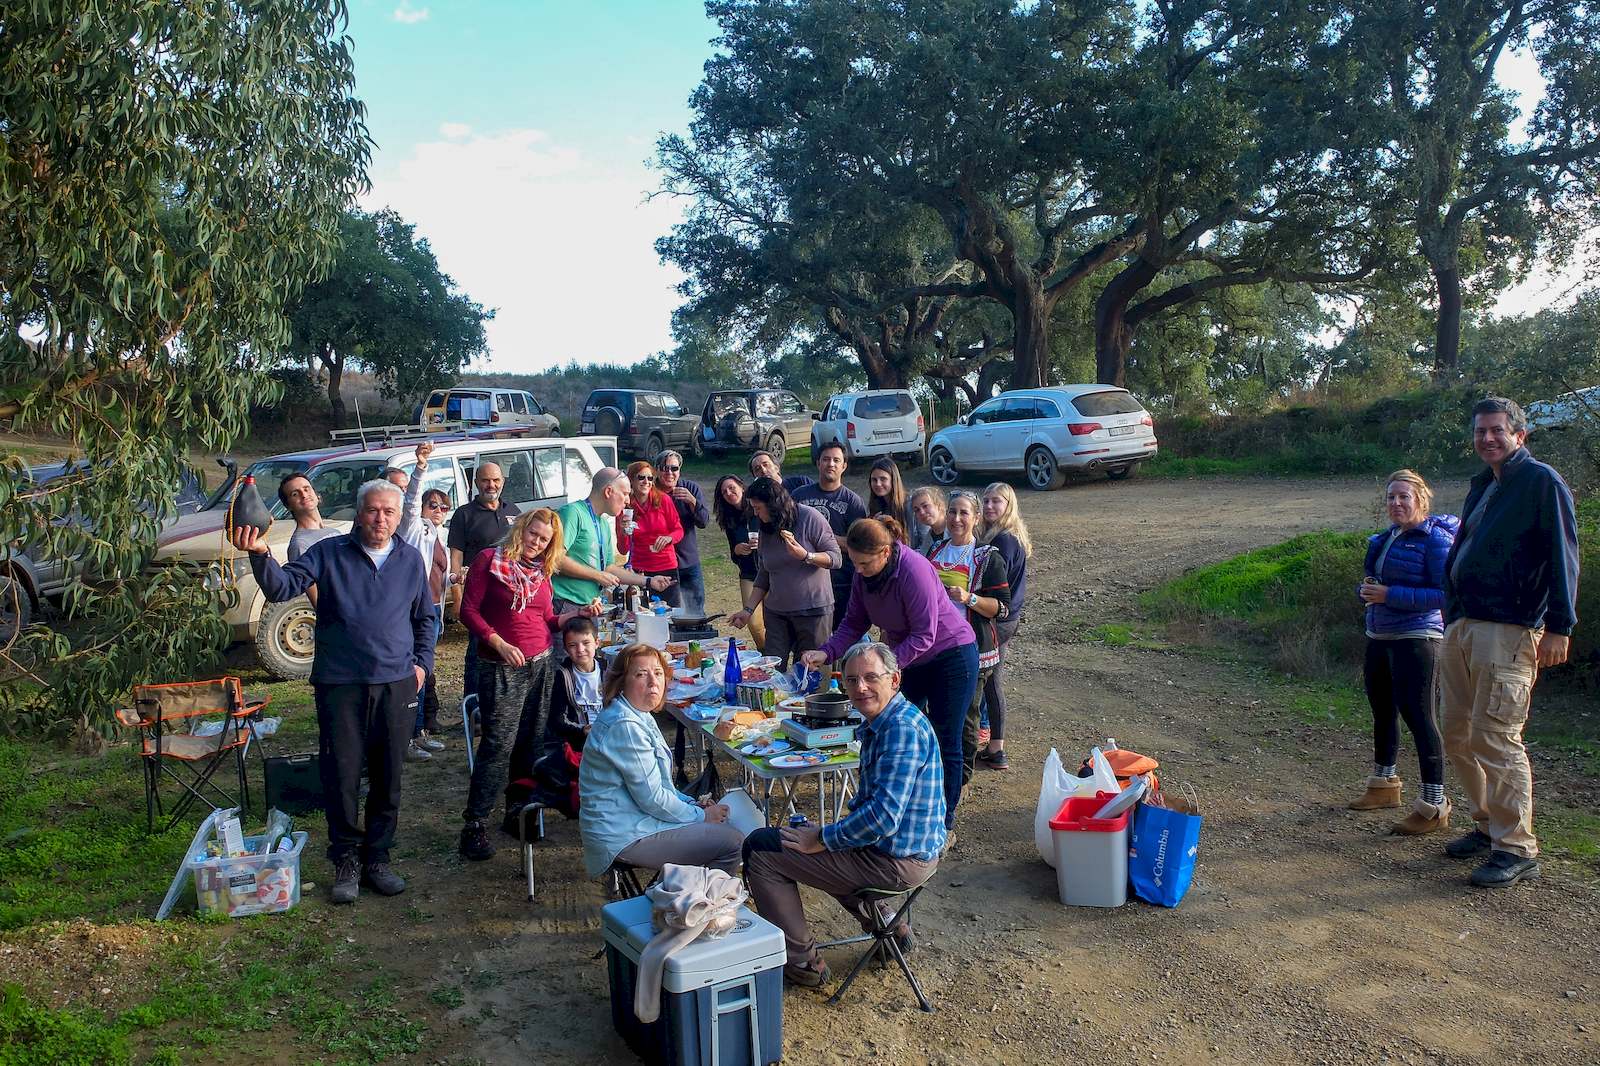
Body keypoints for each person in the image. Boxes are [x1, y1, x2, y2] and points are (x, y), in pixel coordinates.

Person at [232, 479, 434, 904]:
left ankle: (377, 858)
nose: (381, 519)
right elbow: (280, 587)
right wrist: (260, 554)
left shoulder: (410, 559)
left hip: (396, 683)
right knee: (341, 774)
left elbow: (425, 618)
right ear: (359, 513)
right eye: (373, 510)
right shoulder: (327, 553)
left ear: (399, 517)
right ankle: (345, 859)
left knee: (388, 775)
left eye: (389, 512)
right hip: (340, 683)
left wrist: (422, 665)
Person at [1437, 397, 1580, 888]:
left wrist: (1561, 625)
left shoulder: (1541, 482)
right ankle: (1487, 826)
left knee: (1496, 737)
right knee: (1456, 733)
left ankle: (1516, 846)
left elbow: (1564, 555)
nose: (1488, 439)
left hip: (1510, 629)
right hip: (1463, 625)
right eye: (1480, 432)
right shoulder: (1485, 485)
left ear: (1520, 435)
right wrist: (1451, 613)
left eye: (1497, 431)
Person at [743, 642, 945, 988]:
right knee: (818, 838)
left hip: (896, 861)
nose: (860, 687)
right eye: (852, 680)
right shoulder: (890, 719)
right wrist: (826, 836)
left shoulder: (900, 731)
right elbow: (872, 818)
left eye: (870, 678)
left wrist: (822, 839)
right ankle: (890, 927)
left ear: (894, 679)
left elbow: (882, 819)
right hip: (898, 851)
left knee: (761, 850)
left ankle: (804, 964)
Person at [805, 516, 978, 830]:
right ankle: (900, 804)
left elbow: (925, 634)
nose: (858, 570)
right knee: (892, 728)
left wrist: (882, 671)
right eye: (855, 563)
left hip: (951, 656)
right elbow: (854, 622)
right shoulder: (864, 575)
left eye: (864, 563)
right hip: (907, 659)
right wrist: (827, 651)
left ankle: (943, 824)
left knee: (944, 738)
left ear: (885, 553)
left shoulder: (914, 570)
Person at [458, 508, 598, 861]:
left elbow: (547, 619)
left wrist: (576, 615)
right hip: (501, 665)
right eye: (533, 534)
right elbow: (468, 612)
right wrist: (498, 642)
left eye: (544, 539)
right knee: (498, 744)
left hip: (541, 664)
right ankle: (474, 825)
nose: (536, 543)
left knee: (532, 742)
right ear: (521, 529)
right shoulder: (489, 561)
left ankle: (516, 812)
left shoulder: (542, 572)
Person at [1352, 470, 1458, 834]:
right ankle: (1384, 785)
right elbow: (1373, 582)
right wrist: (1365, 590)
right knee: (1382, 710)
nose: (1396, 503)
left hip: (1419, 638)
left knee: (1420, 717)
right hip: (1379, 635)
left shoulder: (1436, 541)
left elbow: (1448, 595)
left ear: (1421, 500)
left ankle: (1433, 804)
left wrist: (1389, 595)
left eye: (1404, 497)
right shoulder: (1384, 539)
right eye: (1391, 497)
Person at [579, 643, 744, 877]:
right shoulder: (625, 725)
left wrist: (691, 804)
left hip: (635, 821)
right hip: (623, 834)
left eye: (657, 673)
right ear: (621, 683)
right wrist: (702, 816)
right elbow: (653, 799)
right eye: (640, 674)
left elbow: (659, 785)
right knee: (732, 842)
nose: (653, 682)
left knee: (720, 827)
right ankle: (698, 905)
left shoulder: (635, 712)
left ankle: (683, 895)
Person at [926, 491, 1012, 778]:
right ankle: (940, 772)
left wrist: (969, 598)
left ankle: (960, 776)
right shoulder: (935, 551)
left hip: (972, 649)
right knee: (937, 712)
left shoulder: (987, 557)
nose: (957, 518)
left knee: (965, 716)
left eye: (964, 513)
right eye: (952, 512)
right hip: (934, 647)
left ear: (976, 518)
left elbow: (1002, 609)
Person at [728, 477, 840, 669]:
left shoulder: (810, 518)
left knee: (808, 672)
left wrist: (806, 555)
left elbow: (836, 558)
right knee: (772, 671)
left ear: (773, 505)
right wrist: (748, 610)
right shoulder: (766, 528)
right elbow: (764, 572)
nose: (755, 513)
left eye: (758, 508)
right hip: (777, 613)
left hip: (812, 611)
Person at [396, 440, 454, 761]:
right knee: (413, 672)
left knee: (424, 672)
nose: (438, 511)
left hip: (432, 611)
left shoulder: (438, 536)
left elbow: (437, 577)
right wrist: (421, 466)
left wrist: (454, 579)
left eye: (444, 507)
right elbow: (410, 503)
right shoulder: (414, 527)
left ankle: (418, 733)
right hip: (413, 611)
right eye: (433, 505)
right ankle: (406, 737)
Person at [551, 467, 675, 615]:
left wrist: (649, 581)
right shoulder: (572, 512)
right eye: (625, 494)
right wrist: (597, 576)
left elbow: (608, 568)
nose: (628, 500)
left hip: (590, 606)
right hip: (565, 604)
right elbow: (555, 558)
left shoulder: (603, 523)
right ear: (608, 491)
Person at [448, 462, 520, 702]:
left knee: (507, 645)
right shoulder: (464, 514)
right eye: (486, 480)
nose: (492, 485)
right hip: (479, 597)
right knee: (477, 651)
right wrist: (457, 595)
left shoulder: (514, 510)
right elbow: (456, 557)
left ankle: (503, 701)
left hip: (509, 595)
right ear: (476, 483)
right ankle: (474, 708)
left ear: (503, 482)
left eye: (496, 480)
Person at [976, 482, 1033, 768]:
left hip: (999, 620)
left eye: (996, 501)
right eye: (985, 501)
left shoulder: (1003, 541)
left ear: (1008, 505)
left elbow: (997, 590)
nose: (989, 507)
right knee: (991, 680)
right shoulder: (1006, 536)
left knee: (988, 681)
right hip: (1008, 619)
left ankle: (995, 747)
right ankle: (995, 747)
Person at [791, 442, 867, 629]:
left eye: (836, 460)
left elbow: (858, 545)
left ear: (844, 466)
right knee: (811, 639)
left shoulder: (853, 502)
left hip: (841, 583)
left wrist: (819, 539)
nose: (831, 464)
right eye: (826, 459)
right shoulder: (799, 496)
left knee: (845, 635)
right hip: (804, 582)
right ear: (818, 463)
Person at [617, 461, 685, 607]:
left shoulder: (663, 500)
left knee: (670, 614)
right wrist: (623, 532)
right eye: (641, 477)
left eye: (650, 478)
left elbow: (679, 530)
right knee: (641, 613)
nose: (646, 482)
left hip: (666, 566)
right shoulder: (625, 507)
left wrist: (669, 538)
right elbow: (623, 549)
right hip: (640, 570)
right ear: (631, 480)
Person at [714, 475, 767, 652]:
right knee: (753, 622)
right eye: (724, 492)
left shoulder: (758, 508)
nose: (729, 493)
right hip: (748, 575)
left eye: (731, 488)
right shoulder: (729, 519)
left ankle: (778, 655)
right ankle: (766, 654)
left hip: (770, 572)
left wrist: (762, 543)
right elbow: (733, 555)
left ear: (741, 487)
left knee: (775, 620)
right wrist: (737, 550)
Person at [657, 451, 710, 608]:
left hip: (688, 562)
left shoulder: (689, 488)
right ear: (657, 470)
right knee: (665, 612)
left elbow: (703, 521)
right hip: (661, 564)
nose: (669, 473)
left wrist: (692, 501)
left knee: (696, 611)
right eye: (665, 468)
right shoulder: (651, 492)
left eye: (674, 468)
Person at [280, 473, 340, 563]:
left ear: (317, 495)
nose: (304, 495)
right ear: (288, 506)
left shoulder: (335, 532)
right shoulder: (300, 544)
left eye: (306, 489)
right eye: (295, 494)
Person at [865, 458, 912, 542]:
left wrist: (893, 525)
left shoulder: (910, 504)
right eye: (874, 480)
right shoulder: (876, 505)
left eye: (883, 479)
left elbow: (916, 542)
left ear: (893, 480)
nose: (878, 484)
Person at [748, 449, 814, 494]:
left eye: (766, 465)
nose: (763, 470)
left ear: (776, 468)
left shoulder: (801, 482)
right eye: (757, 469)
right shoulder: (760, 501)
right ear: (755, 478)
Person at [909, 486, 947, 555]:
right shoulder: (928, 540)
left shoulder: (956, 533)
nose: (922, 512)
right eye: (917, 510)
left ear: (939, 505)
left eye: (925, 506)